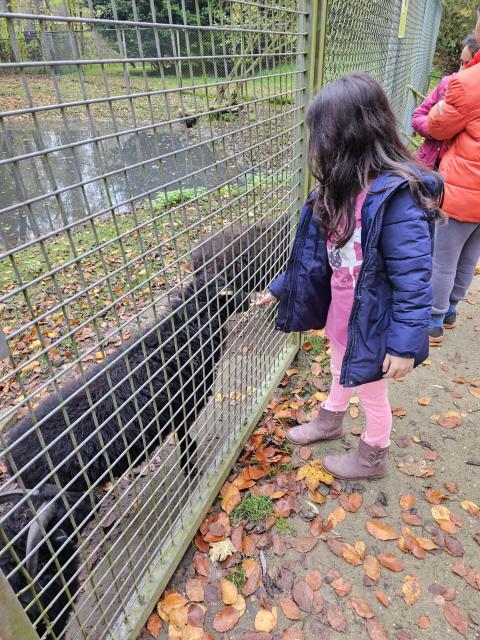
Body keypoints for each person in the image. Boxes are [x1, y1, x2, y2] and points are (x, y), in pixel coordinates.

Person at [256, 73, 443, 481]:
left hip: (374, 322)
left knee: (372, 392)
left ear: (352, 136)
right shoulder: (339, 189)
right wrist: (282, 287)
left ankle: (373, 455)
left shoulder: (397, 199)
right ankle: (331, 419)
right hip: (344, 314)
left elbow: (414, 281)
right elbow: (318, 258)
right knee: (340, 365)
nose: (318, 147)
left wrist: (404, 345)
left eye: (324, 137)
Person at [427, 6, 480, 344]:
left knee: (443, 258)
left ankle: (433, 320)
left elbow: (438, 125)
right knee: (471, 254)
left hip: (463, 188)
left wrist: (437, 107)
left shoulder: (468, 82)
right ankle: (451, 310)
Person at [412, 33, 479, 169]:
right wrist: (434, 129)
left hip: (453, 171)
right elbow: (417, 116)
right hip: (427, 164)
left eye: (469, 64)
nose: (461, 70)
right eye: (461, 62)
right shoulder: (447, 84)